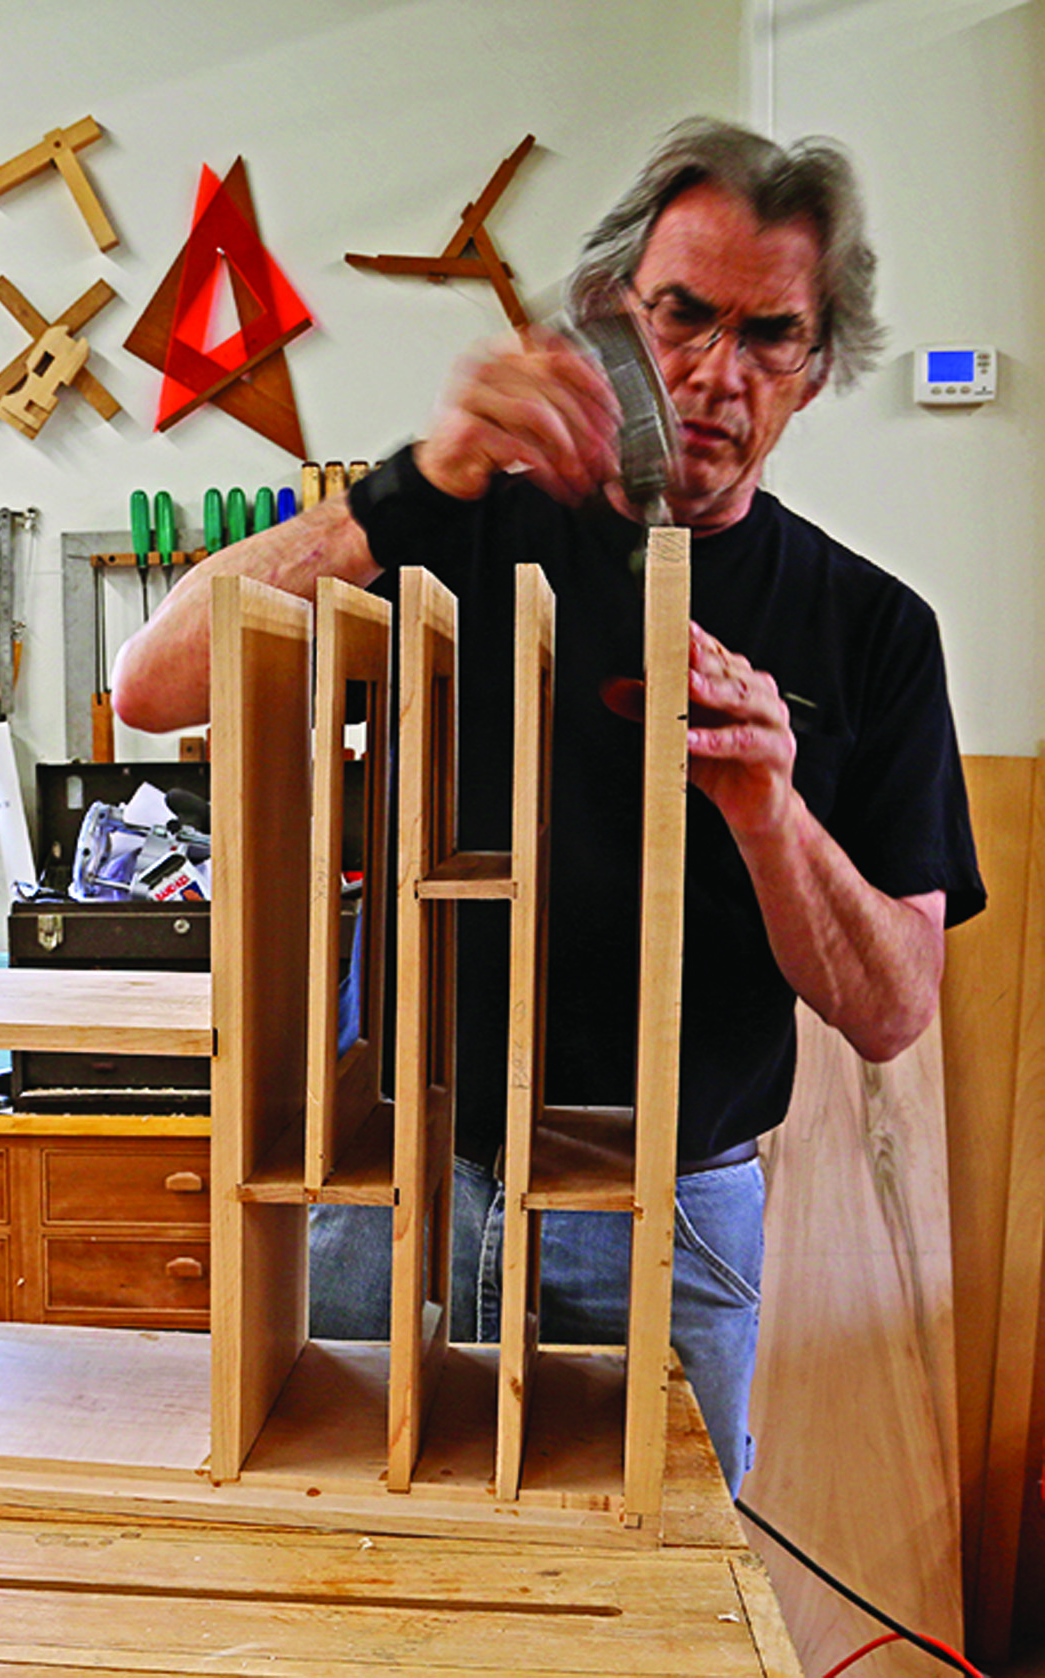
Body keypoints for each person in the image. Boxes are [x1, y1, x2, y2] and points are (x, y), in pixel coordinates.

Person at [111, 117, 985, 1496]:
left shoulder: (874, 630)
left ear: (817, 369)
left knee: (649, 1591)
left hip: (671, 1212)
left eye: (770, 335)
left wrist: (771, 807)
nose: (716, 372)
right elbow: (150, 685)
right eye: (682, 316)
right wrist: (406, 487)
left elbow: (891, 1007)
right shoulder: (459, 522)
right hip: (397, 1178)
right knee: (349, 1569)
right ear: (616, 318)